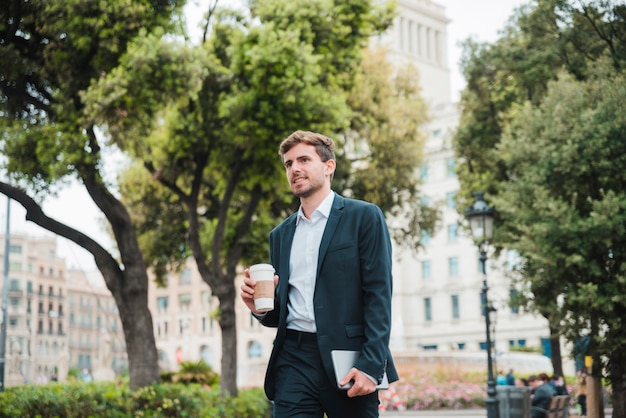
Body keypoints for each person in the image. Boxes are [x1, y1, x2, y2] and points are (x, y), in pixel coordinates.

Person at [240, 130, 398, 417]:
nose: (295, 169)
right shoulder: (280, 235)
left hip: (348, 357)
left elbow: (378, 295)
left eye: (303, 159)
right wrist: (261, 310)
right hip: (293, 358)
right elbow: (284, 310)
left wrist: (371, 366)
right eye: (288, 164)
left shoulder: (364, 217)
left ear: (329, 166)